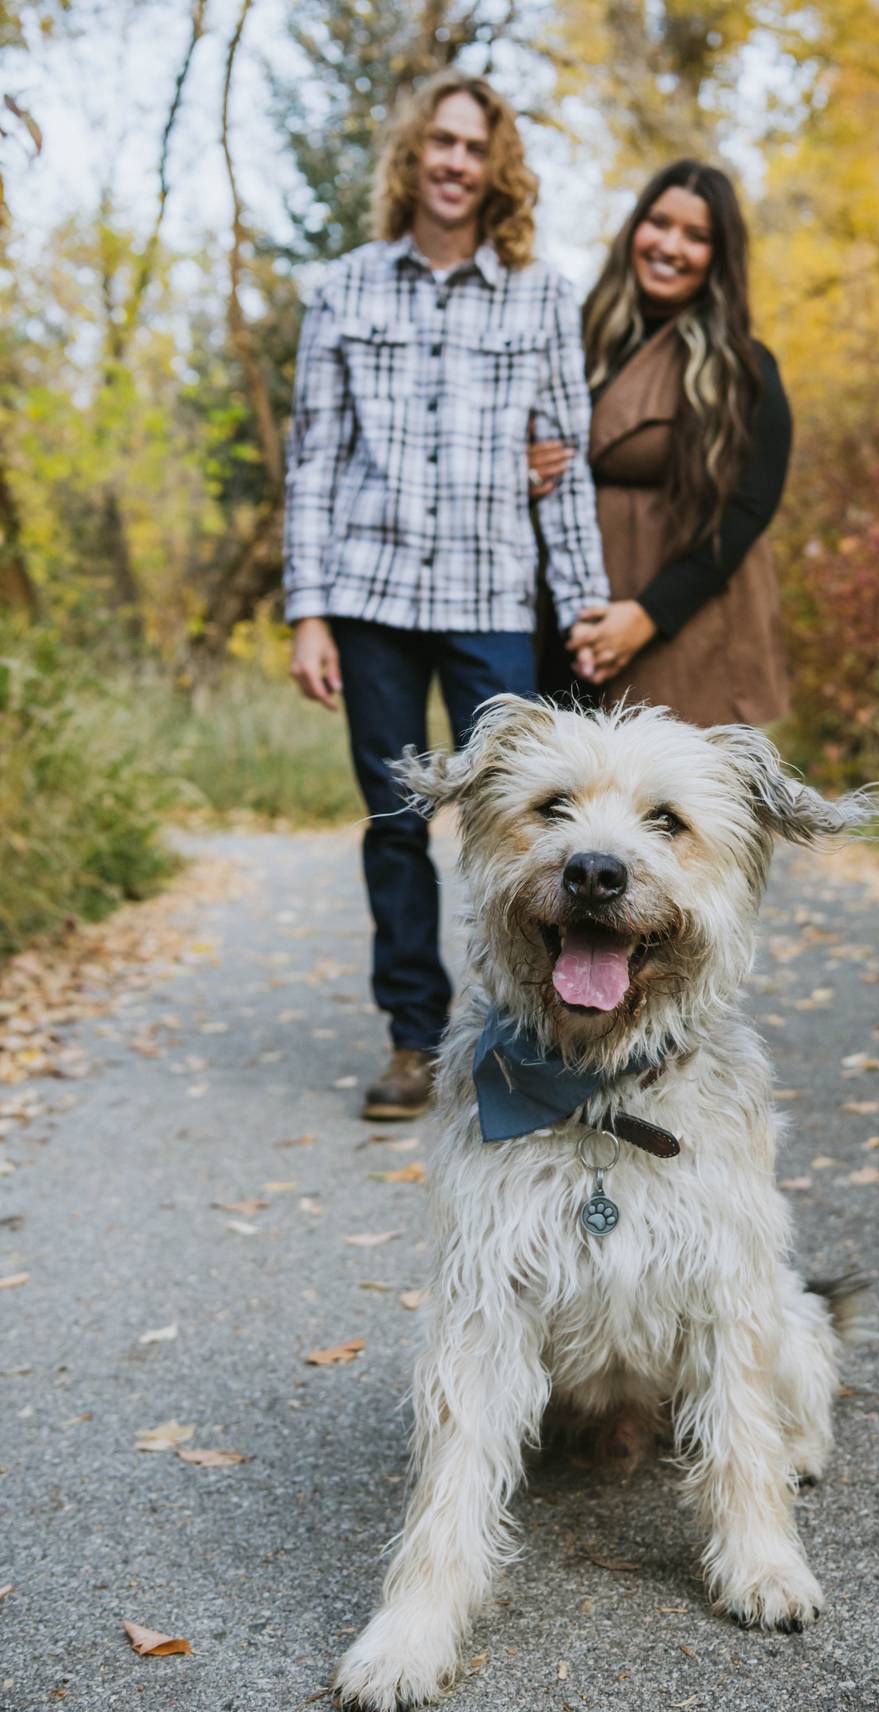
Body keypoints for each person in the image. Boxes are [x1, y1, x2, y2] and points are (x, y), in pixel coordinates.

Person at [284, 70, 609, 1120]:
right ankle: (412, 1038)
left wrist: (587, 602)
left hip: (490, 598)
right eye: (442, 143)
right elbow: (313, 461)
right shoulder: (344, 289)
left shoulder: (541, 295)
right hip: (370, 593)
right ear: (412, 155)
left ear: (495, 167)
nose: (456, 163)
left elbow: (566, 466)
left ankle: (524, 1031)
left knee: (518, 821)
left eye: (475, 147)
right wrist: (308, 612)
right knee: (394, 822)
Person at [531, 160, 791, 727]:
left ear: (719, 257)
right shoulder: (569, 340)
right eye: (659, 223)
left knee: (668, 778)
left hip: (685, 620)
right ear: (635, 229)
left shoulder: (743, 368)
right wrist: (522, 466)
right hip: (568, 609)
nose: (670, 246)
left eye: (696, 236)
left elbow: (750, 507)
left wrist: (649, 614)